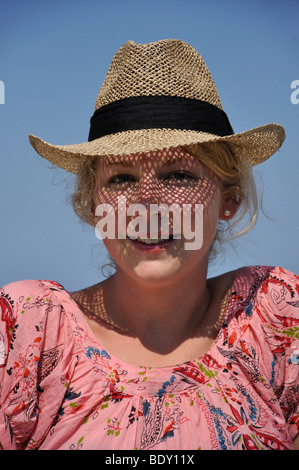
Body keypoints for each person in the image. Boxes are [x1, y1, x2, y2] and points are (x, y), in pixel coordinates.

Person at [0, 39, 298, 451]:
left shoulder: (275, 317)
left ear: (229, 199)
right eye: (121, 179)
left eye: (179, 175)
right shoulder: (27, 329)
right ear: (93, 204)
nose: (148, 204)